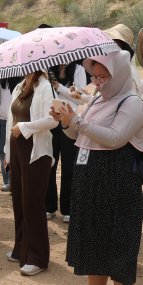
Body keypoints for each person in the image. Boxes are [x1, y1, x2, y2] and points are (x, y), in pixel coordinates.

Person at [51, 51, 143, 285]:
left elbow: (114, 138)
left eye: (102, 77)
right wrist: (65, 120)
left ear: (119, 74)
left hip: (118, 180)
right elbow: (78, 135)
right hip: (89, 178)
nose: (97, 83)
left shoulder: (132, 104)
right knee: (92, 238)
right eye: (94, 76)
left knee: (120, 243)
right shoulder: (98, 99)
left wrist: (76, 120)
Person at [5, 69, 56, 275]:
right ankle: (21, 249)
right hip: (17, 148)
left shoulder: (45, 87)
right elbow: (11, 120)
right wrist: (7, 152)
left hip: (36, 151)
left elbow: (52, 120)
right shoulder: (20, 86)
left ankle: (37, 257)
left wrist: (25, 127)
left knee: (32, 202)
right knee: (18, 199)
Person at [45, 63, 79, 223]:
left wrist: (60, 88)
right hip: (51, 121)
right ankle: (49, 206)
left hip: (70, 123)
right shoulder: (48, 70)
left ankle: (68, 208)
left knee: (69, 166)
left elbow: (79, 99)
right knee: (49, 164)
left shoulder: (78, 69)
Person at [0, 79, 12, 193]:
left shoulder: (18, 82)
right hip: (2, 120)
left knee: (13, 152)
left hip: (15, 121)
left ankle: (13, 181)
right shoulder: (0, 82)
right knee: (3, 151)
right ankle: (7, 181)